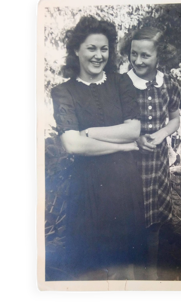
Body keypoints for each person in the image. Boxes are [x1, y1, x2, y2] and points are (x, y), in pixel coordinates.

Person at [50, 15, 146, 280]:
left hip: (124, 186)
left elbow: (134, 130)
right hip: (87, 189)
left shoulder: (121, 82)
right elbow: (72, 144)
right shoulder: (63, 92)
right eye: (91, 48)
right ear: (76, 50)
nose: (98, 55)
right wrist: (124, 146)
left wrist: (91, 132)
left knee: (124, 270)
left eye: (104, 49)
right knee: (89, 271)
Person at [119, 27, 181, 279]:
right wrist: (136, 137)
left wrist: (162, 133)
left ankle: (153, 273)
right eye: (134, 54)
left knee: (153, 222)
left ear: (159, 57)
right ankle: (131, 276)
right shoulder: (123, 84)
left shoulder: (169, 84)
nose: (138, 61)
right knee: (130, 220)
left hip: (156, 163)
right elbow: (114, 123)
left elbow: (175, 118)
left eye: (145, 55)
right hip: (129, 161)